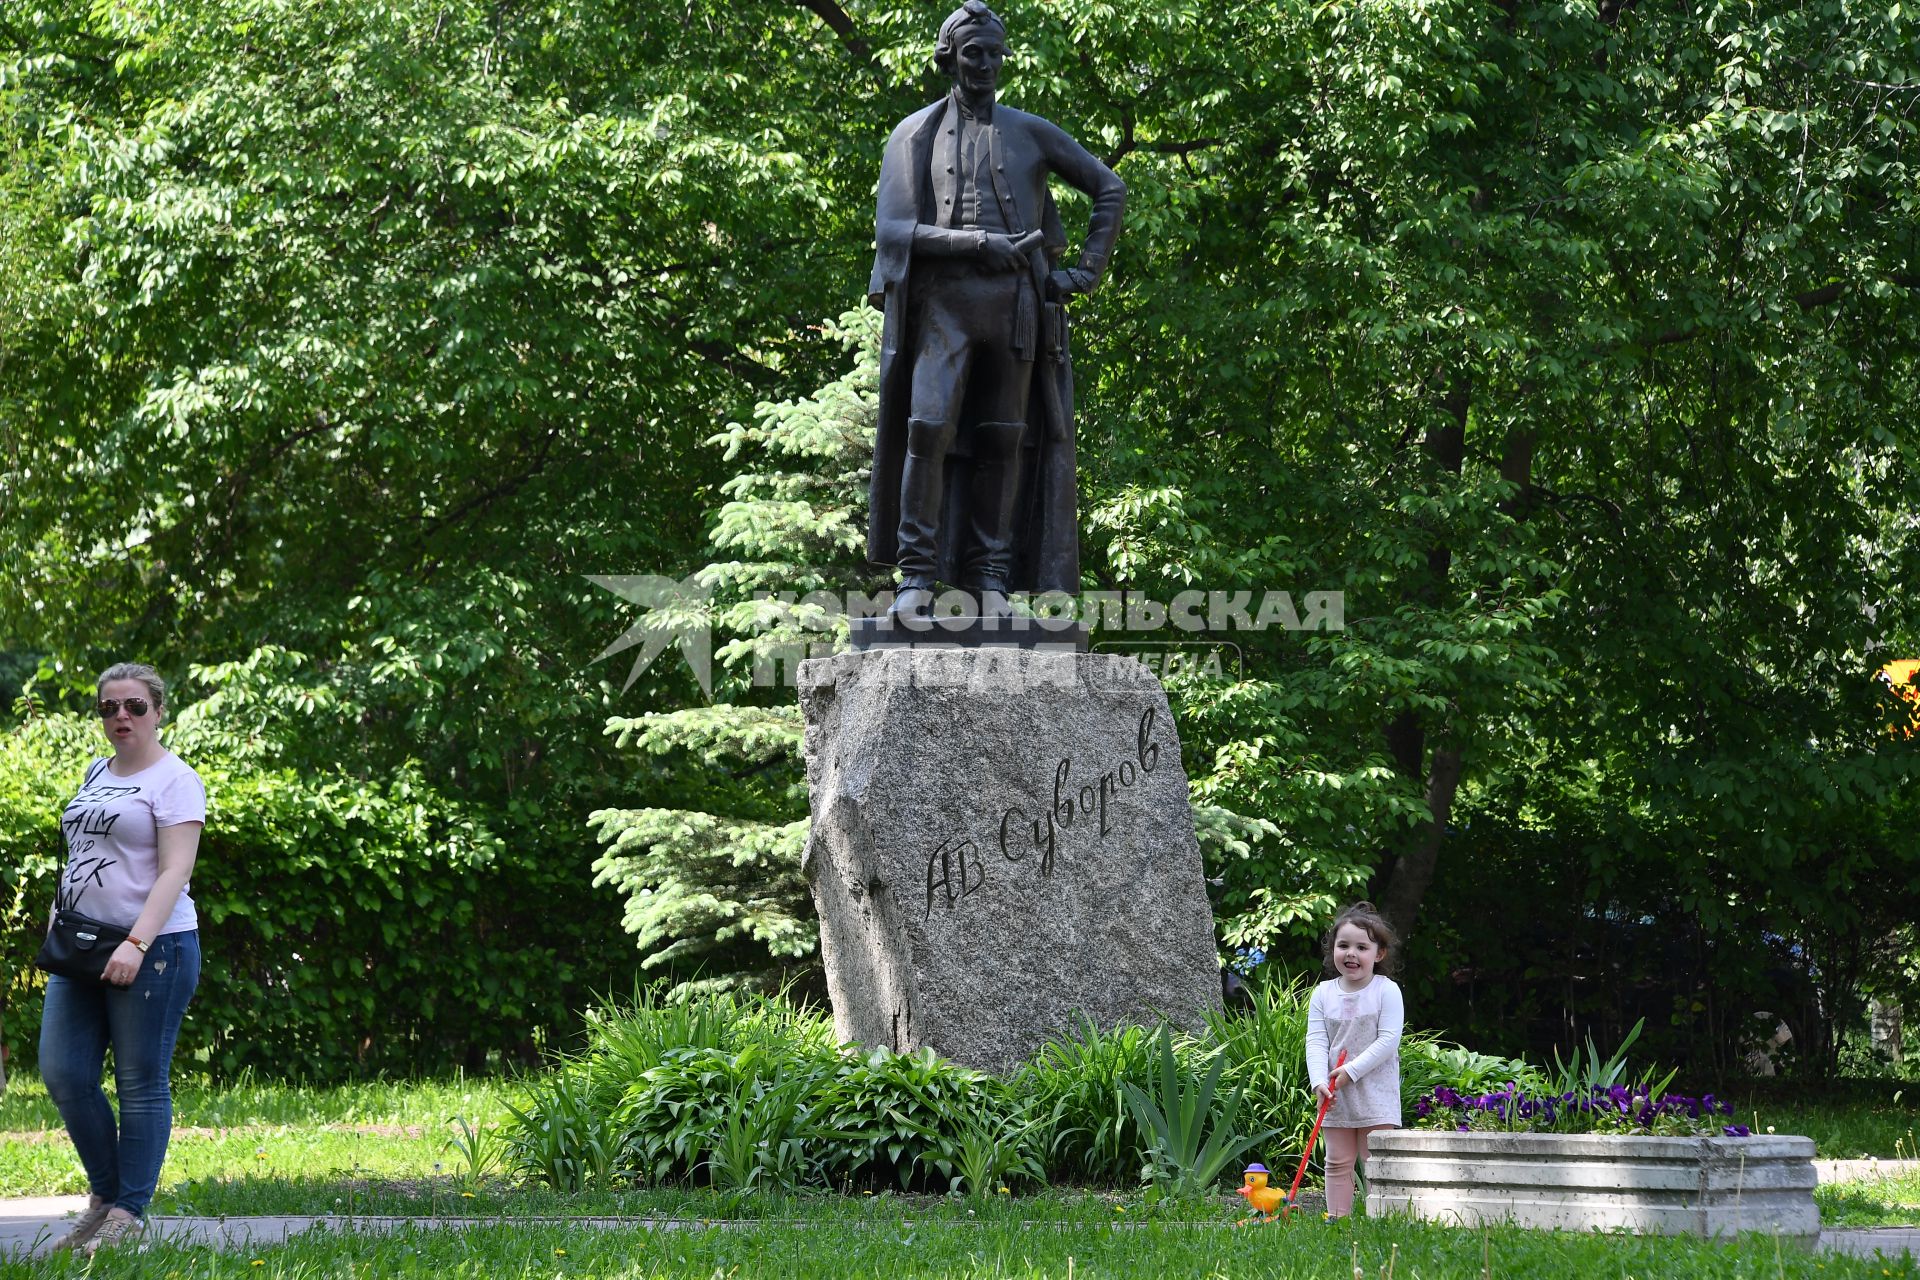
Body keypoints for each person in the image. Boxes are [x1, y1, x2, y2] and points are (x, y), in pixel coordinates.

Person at [867, 0, 1125, 619]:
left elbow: (1109, 187)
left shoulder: (1031, 132)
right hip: (942, 312)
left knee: (1004, 441)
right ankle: (917, 580)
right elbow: (894, 231)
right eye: (974, 51)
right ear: (949, 56)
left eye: (995, 53)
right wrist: (977, 244)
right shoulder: (914, 133)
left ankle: (990, 582)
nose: (986, 63)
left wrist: (1082, 274)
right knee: (926, 430)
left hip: (1015, 311)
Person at [40, 663, 204, 1254]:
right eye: (109, 708)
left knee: (139, 1082)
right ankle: (107, 1199)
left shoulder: (175, 780)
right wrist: (59, 916)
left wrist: (135, 943)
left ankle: (127, 1214)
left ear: (158, 710)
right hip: (81, 946)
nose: (121, 717)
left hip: (154, 947)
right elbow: (81, 854)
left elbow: (175, 870)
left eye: (134, 706)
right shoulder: (96, 772)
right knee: (64, 1072)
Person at [1305, 901, 1404, 1220]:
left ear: (1379, 954)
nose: (1351, 953)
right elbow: (1317, 1041)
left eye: (1361, 947)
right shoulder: (1323, 994)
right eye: (1343, 945)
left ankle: (1383, 1220)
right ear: (1332, 950)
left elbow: (1388, 1040)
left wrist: (1351, 1070)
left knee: (1375, 1161)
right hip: (1336, 1094)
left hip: (1376, 1091)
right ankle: (1337, 1218)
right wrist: (1319, 1081)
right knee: (1337, 1160)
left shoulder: (1386, 991)